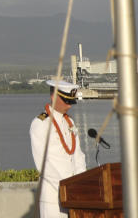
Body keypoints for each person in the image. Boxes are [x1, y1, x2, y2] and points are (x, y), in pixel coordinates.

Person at [29, 77, 87, 218]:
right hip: (53, 197)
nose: (69, 106)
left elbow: (77, 156)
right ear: (53, 96)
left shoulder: (70, 122)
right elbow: (43, 164)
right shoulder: (40, 124)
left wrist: (81, 183)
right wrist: (65, 188)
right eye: (66, 101)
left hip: (73, 195)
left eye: (71, 101)